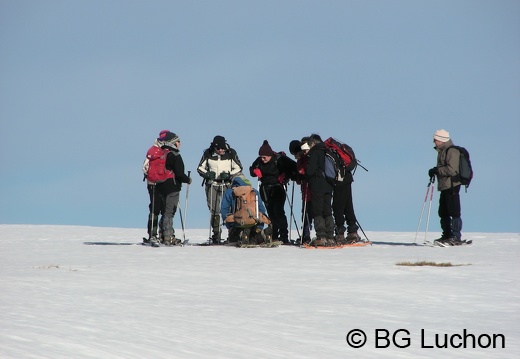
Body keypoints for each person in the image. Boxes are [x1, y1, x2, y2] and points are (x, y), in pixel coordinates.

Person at [148, 131, 191, 246]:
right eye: (178, 142)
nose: (180, 144)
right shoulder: (175, 155)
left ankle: (162, 235)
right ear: (173, 143)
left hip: (159, 185)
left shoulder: (160, 154)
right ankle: (168, 237)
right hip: (172, 186)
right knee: (169, 212)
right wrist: (188, 180)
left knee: (164, 211)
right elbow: (180, 173)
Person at [249, 140, 297, 244]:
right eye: (261, 157)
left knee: (278, 211)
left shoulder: (279, 159)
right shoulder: (259, 161)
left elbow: (294, 167)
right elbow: (252, 169)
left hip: (278, 188)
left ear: (270, 155)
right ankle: (274, 235)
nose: (263, 159)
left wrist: (285, 176)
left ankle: (284, 236)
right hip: (265, 189)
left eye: (264, 157)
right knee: (271, 213)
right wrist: (254, 171)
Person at [197, 135, 243, 243]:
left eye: (222, 148)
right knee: (214, 210)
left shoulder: (231, 152)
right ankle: (216, 234)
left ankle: (233, 233)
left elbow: (239, 167)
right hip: (212, 184)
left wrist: (228, 175)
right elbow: (199, 168)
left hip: (226, 184)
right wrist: (207, 174)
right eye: (218, 149)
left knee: (230, 208)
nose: (221, 150)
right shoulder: (207, 153)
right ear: (214, 147)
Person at [428, 129, 464, 246]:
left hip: (452, 185)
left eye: (436, 139)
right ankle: (447, 235)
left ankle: (456, 236)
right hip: (444, 185)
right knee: (443, 212)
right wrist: (436, 171)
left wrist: (437, 170)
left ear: (442, 140)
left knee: (454, 211)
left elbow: (452, 170)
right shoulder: (442, 151)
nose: (434, 141)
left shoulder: (452, 151)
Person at [220, 174, 272, 245]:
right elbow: (261, 210)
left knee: (234, 240)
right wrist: (260, 226)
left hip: (237, 223)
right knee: (255, 238)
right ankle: (262, 235)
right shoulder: (253, 191)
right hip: (254, 222)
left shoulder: (229, 191)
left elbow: (224, 210)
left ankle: (242, 235)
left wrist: (230, 226)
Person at [305, 134, 335, 246]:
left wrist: (306, 176)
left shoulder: (314, 152)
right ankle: (330, 236)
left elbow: (310, 170)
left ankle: (321, 236)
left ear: (313, 143)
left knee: (317, 210)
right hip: (329, 185)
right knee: (327, 210)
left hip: (317, 185)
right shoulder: (328, 151)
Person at [142, 130, 168, 243]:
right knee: (155, 208)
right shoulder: (156, 151)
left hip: (158, 182)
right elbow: (145, 166)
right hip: (155, 183)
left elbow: (144, 167)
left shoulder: (154, 150)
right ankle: (153, 234)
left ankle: (159, 234)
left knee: (163, 208)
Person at [289, 138, 313, 244]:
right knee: (305, 213)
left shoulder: (307, 158)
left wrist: (301, 174)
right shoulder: (300, 160)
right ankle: (305, 235)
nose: (295, 156)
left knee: (309, 213)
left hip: (311, 190)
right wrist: (297, 177)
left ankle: (307, 236)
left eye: (296, 153)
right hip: (305, 191)